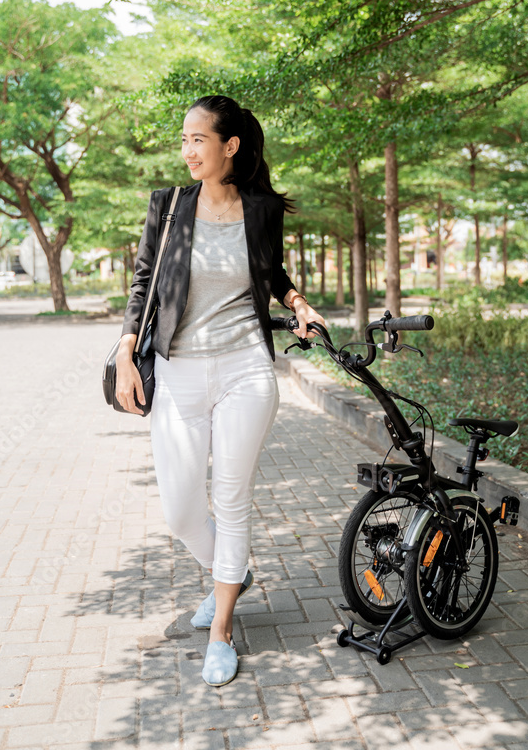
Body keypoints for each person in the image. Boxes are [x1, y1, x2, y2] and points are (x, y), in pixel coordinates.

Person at [115, 95, 326, 687]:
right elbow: (142, 284)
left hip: (244, 370)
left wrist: (299, 304)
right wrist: (126, 353)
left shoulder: (261, 209)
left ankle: (222, 630)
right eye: (183, 139)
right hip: (178, 369)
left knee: (231, 499)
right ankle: (231, 572)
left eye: (198, 139)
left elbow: (271, 271)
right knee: (181, 510)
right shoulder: (169, 206)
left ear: (229, 146)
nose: (187, 150)